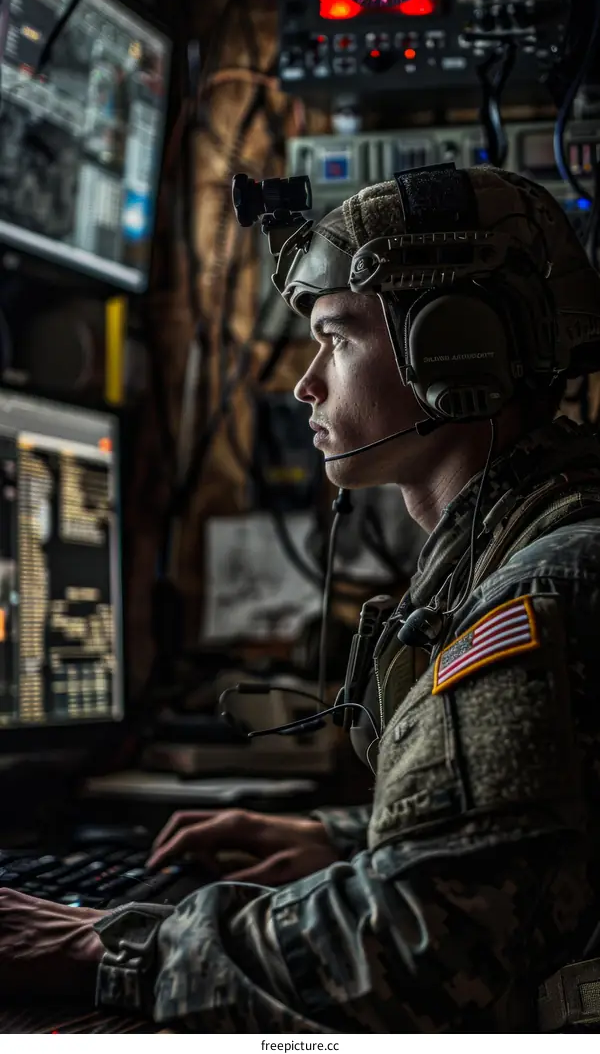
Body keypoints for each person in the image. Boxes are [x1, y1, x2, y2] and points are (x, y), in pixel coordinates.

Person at [4, 164, 600, 1033]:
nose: (306, 384)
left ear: (455, 350)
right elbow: (536, 837)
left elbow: (416, 949)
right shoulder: (519, 543)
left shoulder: (538, 591)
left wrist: (110, 946)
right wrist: (348, 839)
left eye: (339, 338)